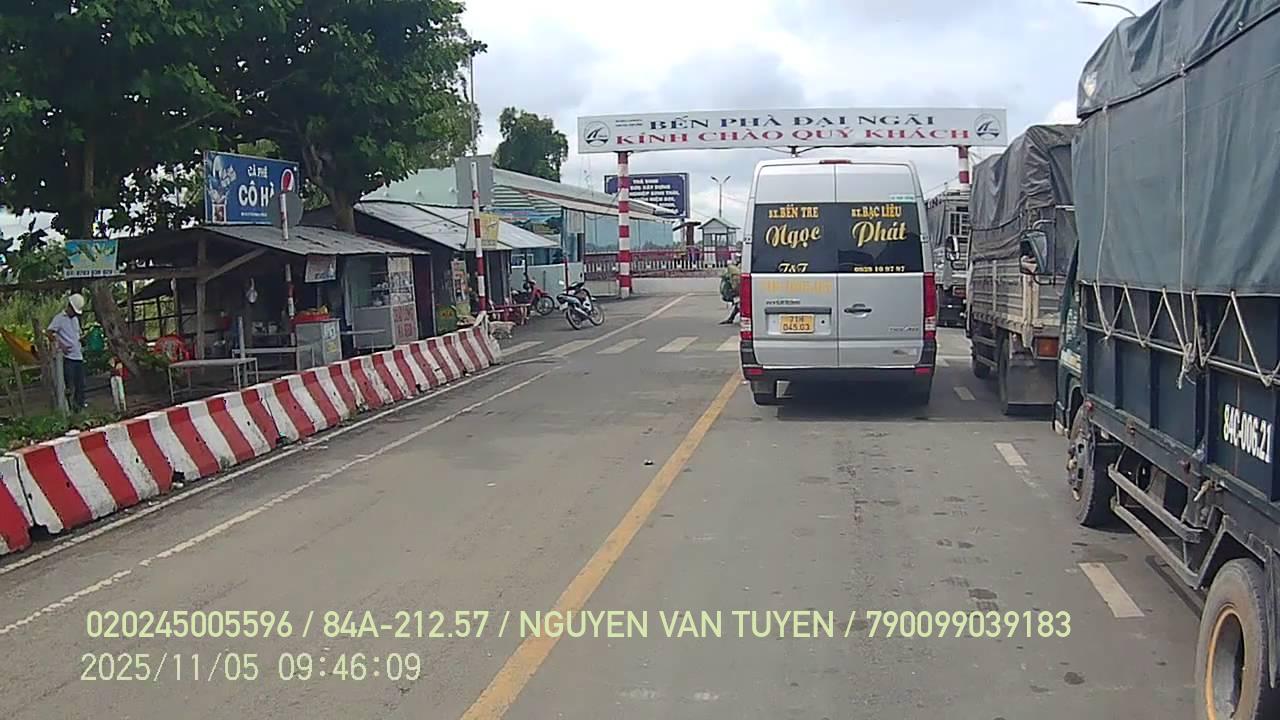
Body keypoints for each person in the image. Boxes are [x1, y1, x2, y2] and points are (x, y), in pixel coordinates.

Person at [47, 293, 87, 411]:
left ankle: (79, 408)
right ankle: (68, 408)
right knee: (69, 385)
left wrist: (82, 340)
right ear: (69, 306)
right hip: (68, 357)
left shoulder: (75, 320)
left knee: (81, 384)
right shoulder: (59, 318)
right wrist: (60, 345)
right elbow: (49, 333)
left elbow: (76, 336)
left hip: (78, 356)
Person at [719, 255, 742, 325]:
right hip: (738, 289)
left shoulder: (737, 268)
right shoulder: (737, 268)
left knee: (739, 304)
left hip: (739, 289)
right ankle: (731, 318)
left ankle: (731, 318)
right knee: (739, 304)